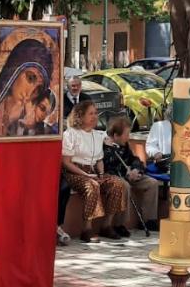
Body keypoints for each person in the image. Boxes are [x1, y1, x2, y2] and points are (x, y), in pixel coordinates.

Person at [61, 100, 129, 242]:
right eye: (90, 113)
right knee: (93, 185)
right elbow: (66, 162)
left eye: (96, 113)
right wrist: (85, 174)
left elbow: (99, 160)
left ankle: (107, 225)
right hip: (75, 172)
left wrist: (102, 174)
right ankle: (87, 229)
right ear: (80, 116)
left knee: (117, 183)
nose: (94, 116)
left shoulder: (97, 135)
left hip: (93, 172)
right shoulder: (71, 134)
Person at [103, 115, 160, 230]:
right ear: (115, 135)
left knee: (152, 183)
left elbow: (135, 160)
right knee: (125, 186)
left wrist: (135, 169)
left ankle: (148, 220)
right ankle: (120, 224)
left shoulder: (125, 145)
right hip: (115, 176)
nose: (128, 137)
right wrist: (127, 175)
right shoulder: (105, 147)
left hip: (129, 175)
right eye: (126, 134)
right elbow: (108, 168)